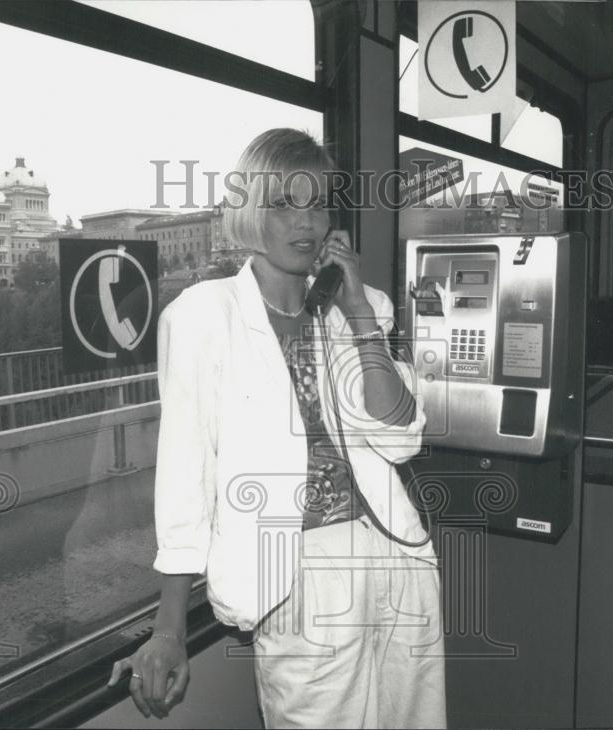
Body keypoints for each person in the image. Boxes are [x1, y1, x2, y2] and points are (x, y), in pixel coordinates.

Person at [107, 128, 446, 728]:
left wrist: (360, 312)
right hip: (294, 578)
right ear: (251, 212)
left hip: (393, 558)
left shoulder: (359, 308)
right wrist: (169, 628)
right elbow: (187, 471)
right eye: (284, 204)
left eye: (317, 203)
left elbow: (401, 436)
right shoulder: (204, 316)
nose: (306, 222)